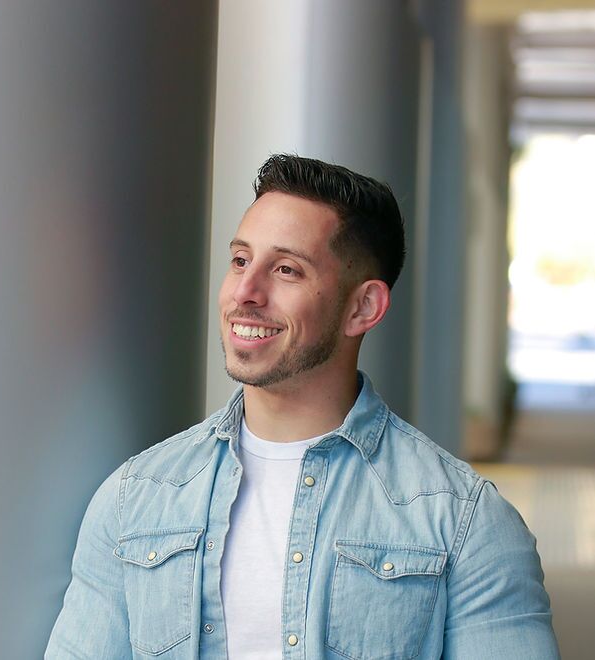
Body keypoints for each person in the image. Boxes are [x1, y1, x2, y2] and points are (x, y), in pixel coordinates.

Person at [45, 155, 559, 659]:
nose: (245, 292)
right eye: (240, 260)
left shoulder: (464, 522)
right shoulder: (135, 498)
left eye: (286, 269)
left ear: (363, 307)